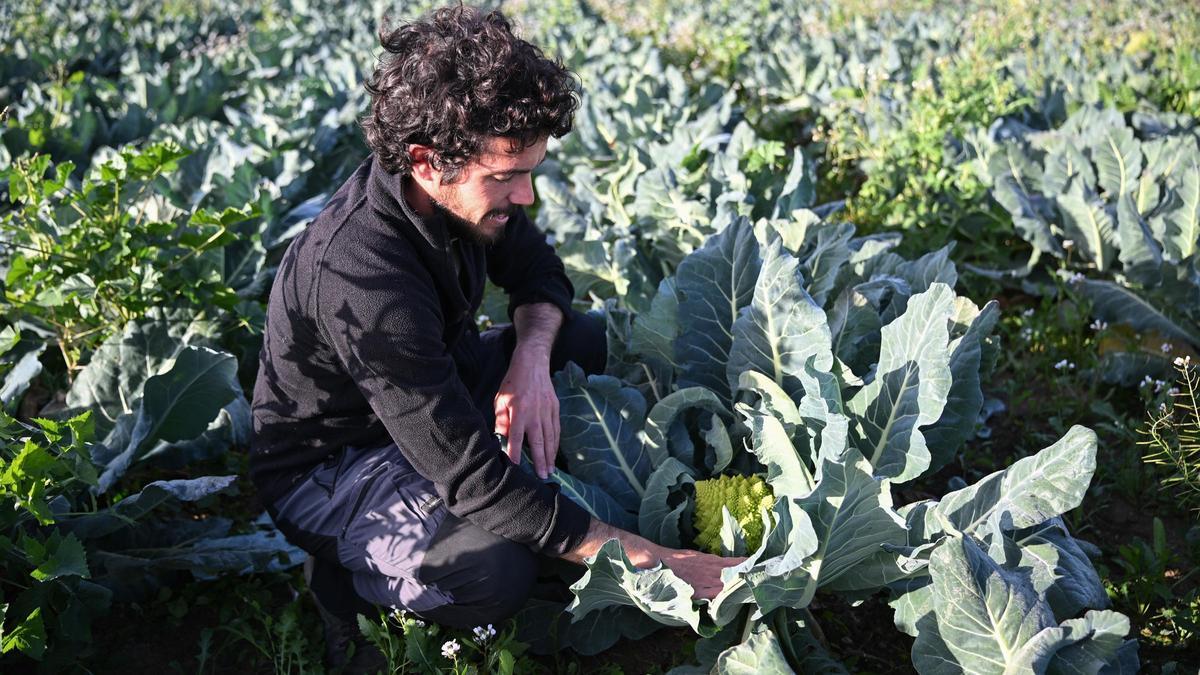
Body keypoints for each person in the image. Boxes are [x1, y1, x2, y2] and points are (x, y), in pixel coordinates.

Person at [249, 5, 741, 667]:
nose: (527, 195)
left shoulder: (458, 193)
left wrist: (530, 364)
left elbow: (541, 275)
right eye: (508, 175)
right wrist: (665, 562)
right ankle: (349, 586)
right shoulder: (364, 277)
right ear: (427, 160)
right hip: (335, 463)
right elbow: (476, 481)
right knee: (496, 567)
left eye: (531, 170)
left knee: (578, 344)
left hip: (430, 394)